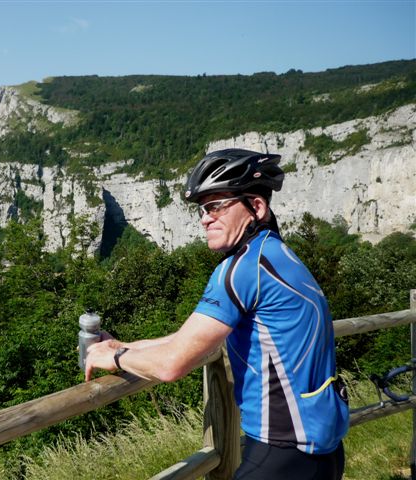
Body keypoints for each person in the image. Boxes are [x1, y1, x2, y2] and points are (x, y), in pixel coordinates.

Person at [85, 148, 349, 479]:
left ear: (256, 207)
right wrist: (125, 345)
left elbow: (171, 364)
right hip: (324, 451)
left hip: (281, 451)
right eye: (202, 209)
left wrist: (116, 358)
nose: (204, 218)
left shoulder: (242, 269)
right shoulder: (277, 255)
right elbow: (189, 339)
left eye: (215, 206)